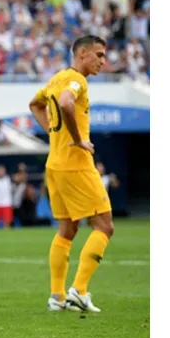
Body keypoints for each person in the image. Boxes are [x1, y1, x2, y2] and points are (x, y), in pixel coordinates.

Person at [28, 35, 113, 313]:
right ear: (83, 53)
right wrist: (76, 139)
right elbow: (66, 103)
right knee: (104, 225)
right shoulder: (77, 80)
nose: (103, 61)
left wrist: (55, 134)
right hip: (76, 163)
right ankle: (79, 290)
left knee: (67, 229)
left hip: (55, 163)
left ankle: (57, 295)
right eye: (99, 55)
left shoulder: (56, 78)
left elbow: (35, 104)